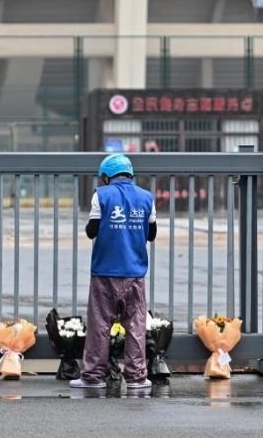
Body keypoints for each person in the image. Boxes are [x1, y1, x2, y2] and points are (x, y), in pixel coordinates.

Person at [70, 153, 157, 390]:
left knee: (100, 323)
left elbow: (91, 230)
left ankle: (93, 376)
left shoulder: (101, 194)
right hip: (135, 272)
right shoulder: (146, 198)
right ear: (130, 175)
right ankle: (137, 377)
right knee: (135, 325)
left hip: (104, 271)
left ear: (107, 177)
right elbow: (152, 234)